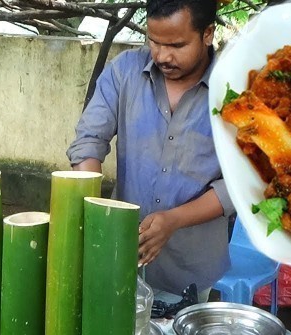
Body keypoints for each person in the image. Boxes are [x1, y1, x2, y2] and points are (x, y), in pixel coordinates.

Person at [67, 0, 235, 303]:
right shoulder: (125, 71)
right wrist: (91, 204)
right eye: (154, 41)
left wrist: (174, 220)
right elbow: (89, 140)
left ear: (207, 33)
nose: (161, 56)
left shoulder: (235, 91)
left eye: (176, 45)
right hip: (119, 253)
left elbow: (239, 185)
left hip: (191, 270)